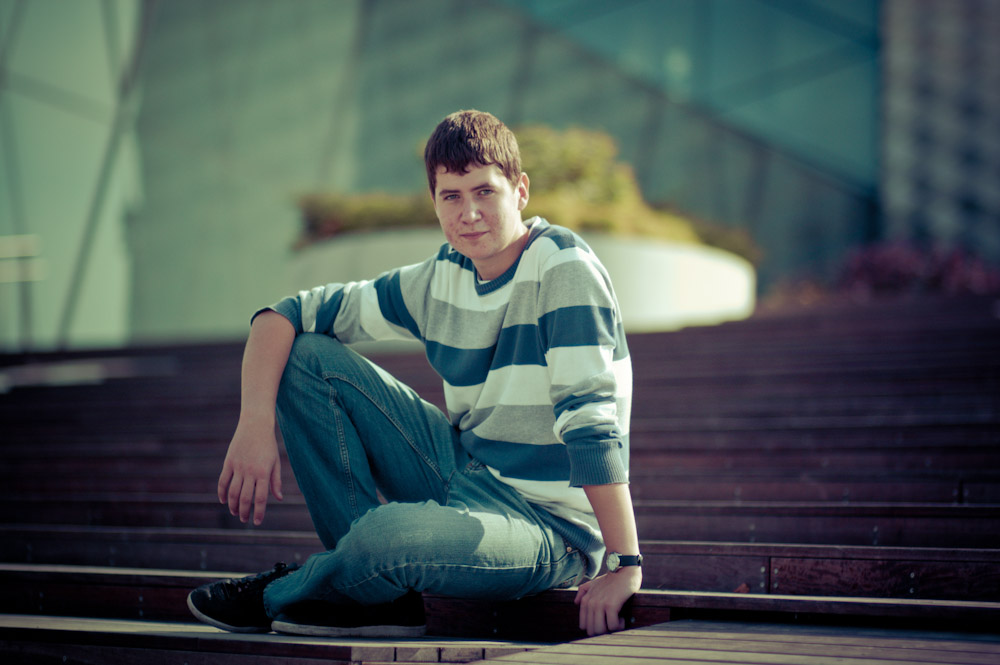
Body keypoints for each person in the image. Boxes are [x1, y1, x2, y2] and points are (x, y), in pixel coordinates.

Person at [187, 109, 641, 639]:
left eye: (485, 191)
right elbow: (284, 315)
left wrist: (624, 562)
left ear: (520, 190)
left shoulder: (562, 266)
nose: (469, 213)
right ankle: (371, 597)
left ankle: (287, 592)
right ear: (435, 202)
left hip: (548, 528)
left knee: (389, 534)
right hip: (466, 471)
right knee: (306, 356)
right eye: (452, 197)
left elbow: (589, 421)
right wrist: (254, 422)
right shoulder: (440, 278)